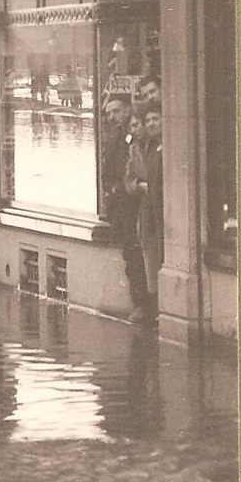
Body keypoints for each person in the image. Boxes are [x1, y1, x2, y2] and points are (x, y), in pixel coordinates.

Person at [101, 93, 150, 321]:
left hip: (142, 205)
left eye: (116, 111)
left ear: (129, 109)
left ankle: (148, 305)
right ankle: (141, 304)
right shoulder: (115, 139)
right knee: (132, 255)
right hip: (124, 208)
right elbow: (107, 174)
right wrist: (114, 190)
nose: (112, 117)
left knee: (143, 254)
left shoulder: (139, 136)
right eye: (109, 113)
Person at [125, 97, 163, 325]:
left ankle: (156, 308)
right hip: (148, 213)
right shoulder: (139, 148)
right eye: (146, 120)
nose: (150, 124)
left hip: (160, 212)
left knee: (158, 257)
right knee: (149, 260)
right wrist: (137, 186)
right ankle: (152, 306)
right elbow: (129, 177)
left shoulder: (160, 146)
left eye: (154, 119)